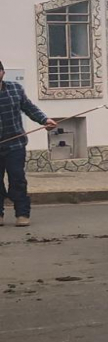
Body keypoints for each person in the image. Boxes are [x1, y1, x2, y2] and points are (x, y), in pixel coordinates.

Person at [0, 61, 57, 227]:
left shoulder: (15, 89)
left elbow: (29, 107)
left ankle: (22, 214)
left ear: (3, 73)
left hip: (15, 145)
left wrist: (44, 120)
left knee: (17, 179)